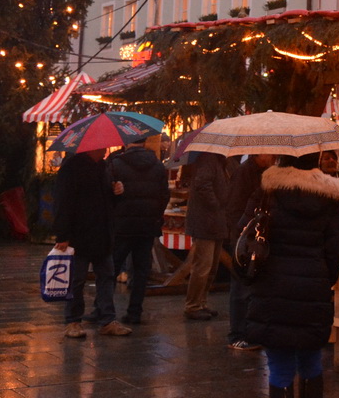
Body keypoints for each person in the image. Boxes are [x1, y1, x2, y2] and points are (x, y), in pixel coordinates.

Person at [246, 152, 339, 398]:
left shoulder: (267, 191)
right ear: (315, 160)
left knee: (279, 368)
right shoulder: (330, 198)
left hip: (272, 288)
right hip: (312, 287)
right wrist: (322, 277)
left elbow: (244, 233)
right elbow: (337, 248)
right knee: (311, 362)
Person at [53, 143, 117, 337]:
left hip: (102, 234)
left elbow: (108, 201)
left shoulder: (104, 168)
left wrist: (117, 191)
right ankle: (72, 321)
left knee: (106, 277)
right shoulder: (71, 169)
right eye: (102, 147)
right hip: (79, 235)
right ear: (91, 148)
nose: (105, 150)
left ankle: (108, 319)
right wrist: (63, 235)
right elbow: (63, 203)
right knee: (76, 280)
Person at [107, 132, 169, 326]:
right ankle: (135, 312)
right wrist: (155, 215)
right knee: (141, 270)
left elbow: (108, 194)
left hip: (122, 226)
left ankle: (105, 310)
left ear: (126, 143)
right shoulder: (158, 165)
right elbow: (164, 195)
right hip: (147, 226)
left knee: (113, 267)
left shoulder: (116, 164)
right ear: (145, 143)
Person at [227, 152, 276, 351]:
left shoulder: (267, 172)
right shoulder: (244, 173)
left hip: (256, 237)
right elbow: (235, 207)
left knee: (253, 289)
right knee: (241, 288)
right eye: (269, 152)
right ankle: (237, 335)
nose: (274, 155)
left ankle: (251, 332)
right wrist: (241, 235)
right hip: (244, 237)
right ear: (258, 153)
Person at [182, 151, 232, 320]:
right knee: (203, 266)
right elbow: (202, 184)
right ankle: (193, 305)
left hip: (215, 221)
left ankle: (201, 302)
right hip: (205, 221)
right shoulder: (208, 159)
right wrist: (215, 204)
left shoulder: (219, 161)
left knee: (211, 267)